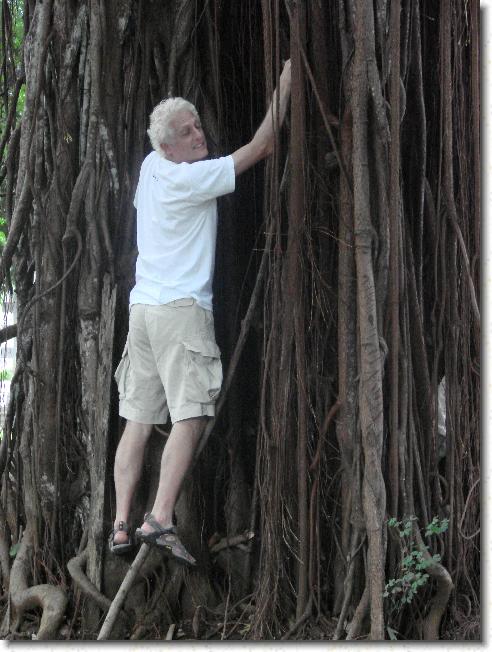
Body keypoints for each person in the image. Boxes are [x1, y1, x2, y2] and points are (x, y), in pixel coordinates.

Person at [109, 60, 292, 565]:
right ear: (168, 148)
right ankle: (159, 517)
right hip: (180, 313)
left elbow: (172, 154)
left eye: (197, 125)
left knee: (137, 420)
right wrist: (284, 84)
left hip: (143, 313)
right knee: (191, 415)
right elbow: (262, 147)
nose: (198, 135)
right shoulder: (190, 179)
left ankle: (120, 525)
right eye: (186, 133)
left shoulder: (150, 168)